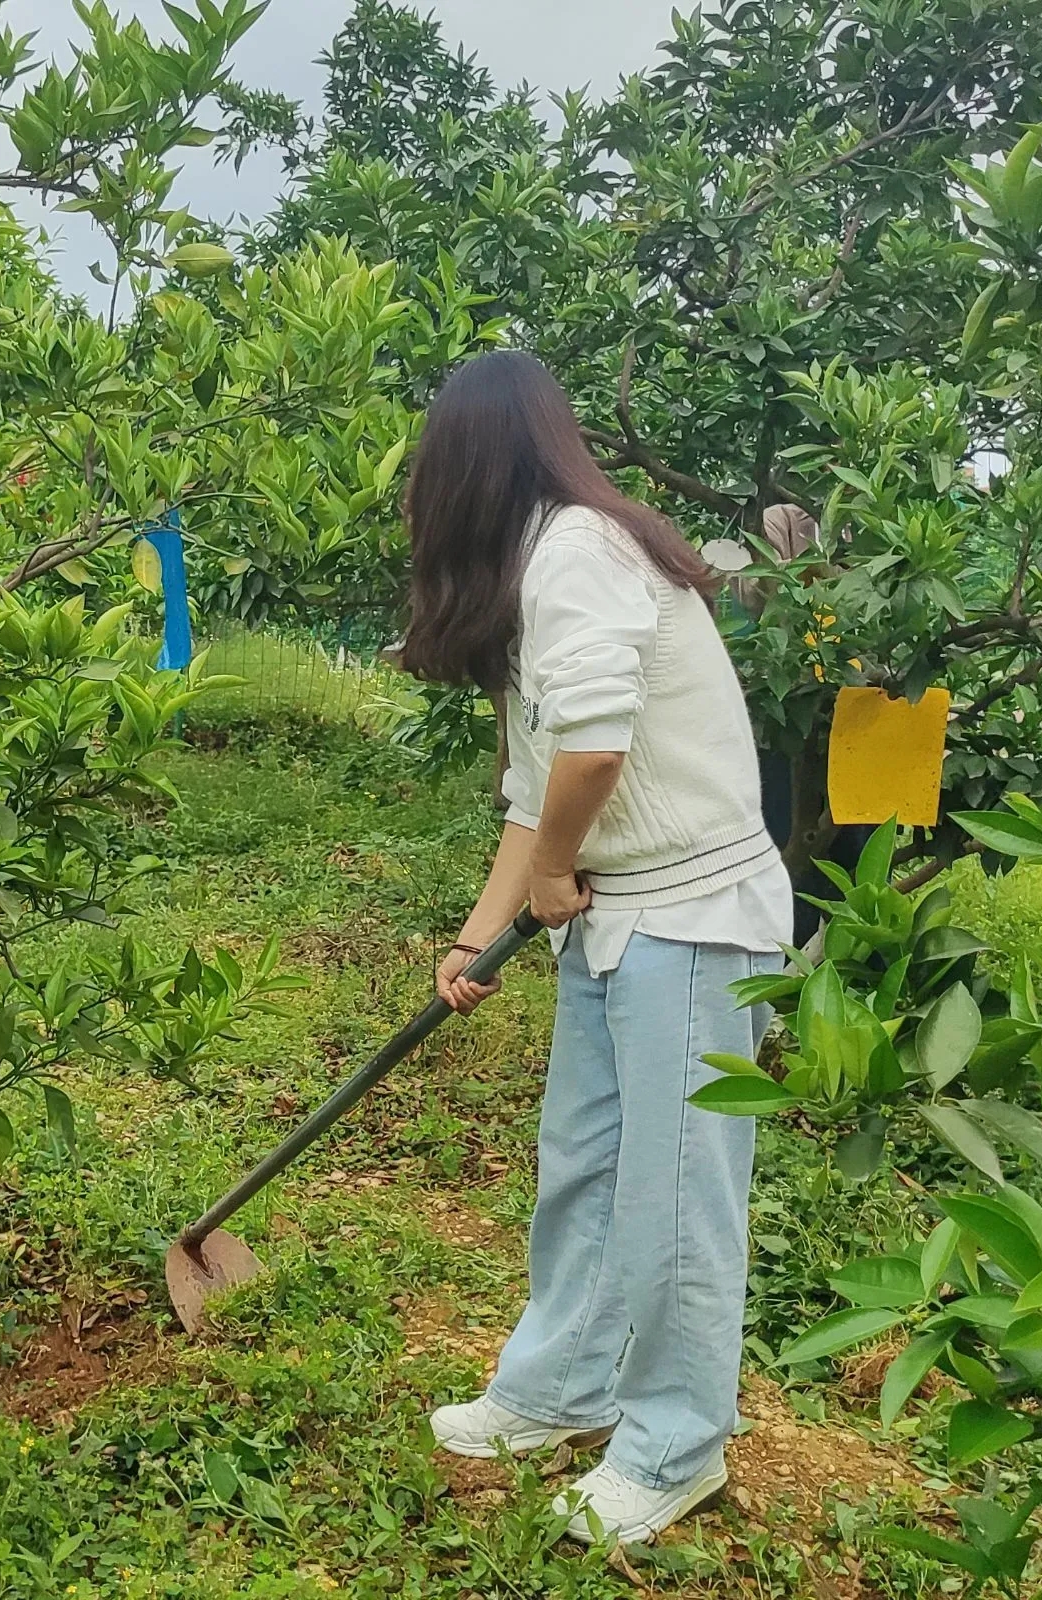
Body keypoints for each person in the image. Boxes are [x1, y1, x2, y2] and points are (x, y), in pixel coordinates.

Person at [399, 350, 792, 1550]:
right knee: (582, 1159)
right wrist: (480, 934)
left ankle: (675, 1446)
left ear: (467, 464)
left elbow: (594, 756)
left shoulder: (579, 550)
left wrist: (562, 871)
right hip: (619, 924)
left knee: (675, 1192)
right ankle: (557, 1387)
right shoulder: (538, 569)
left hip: (693, 918)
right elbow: (535, 792)